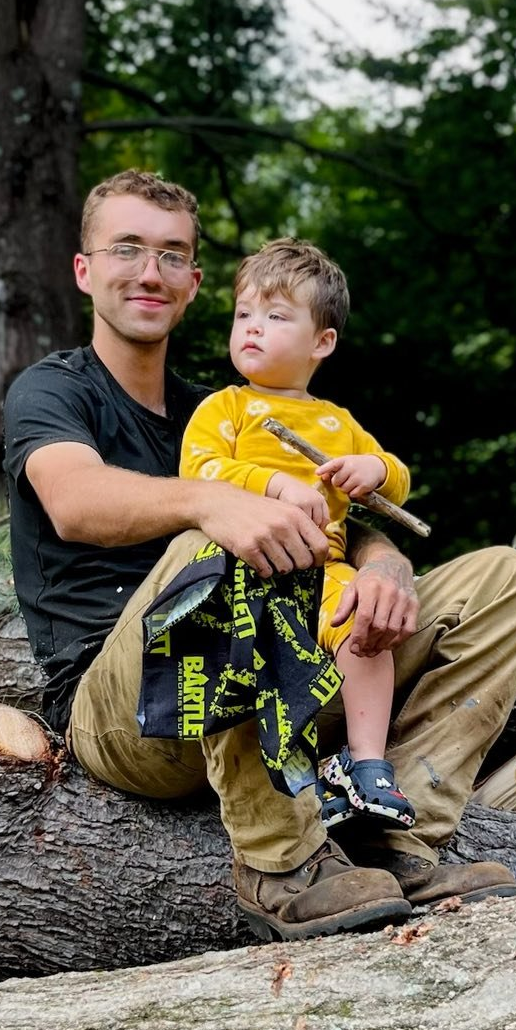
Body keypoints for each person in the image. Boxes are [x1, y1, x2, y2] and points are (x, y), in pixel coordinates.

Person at [3, 167, 516, 943]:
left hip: (278, 679)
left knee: (504, 579)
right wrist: (212, 502)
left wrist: (383, 560)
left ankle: (392, 838)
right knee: (219, 539)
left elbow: (333, 508)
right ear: (85, 271)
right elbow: (75, 500)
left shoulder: (229, 406)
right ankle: (280, 864)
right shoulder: (54, 391)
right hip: (125, 716)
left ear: (194, 283)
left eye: (171, 255)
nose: (149, 272)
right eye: (127, 250)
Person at [180, 236, 418, 831]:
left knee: (362, 631)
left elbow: (396, 482)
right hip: (246, 569)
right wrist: (273, 485)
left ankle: (367, 766)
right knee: (262, 665)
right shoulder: (226, 408)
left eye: (276, 316)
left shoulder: (337, 422)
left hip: (323, 570)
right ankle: (293, 792)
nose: (253, 328)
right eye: (244, 315)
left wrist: (376, 470)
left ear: (322, 342)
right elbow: (199, 471)